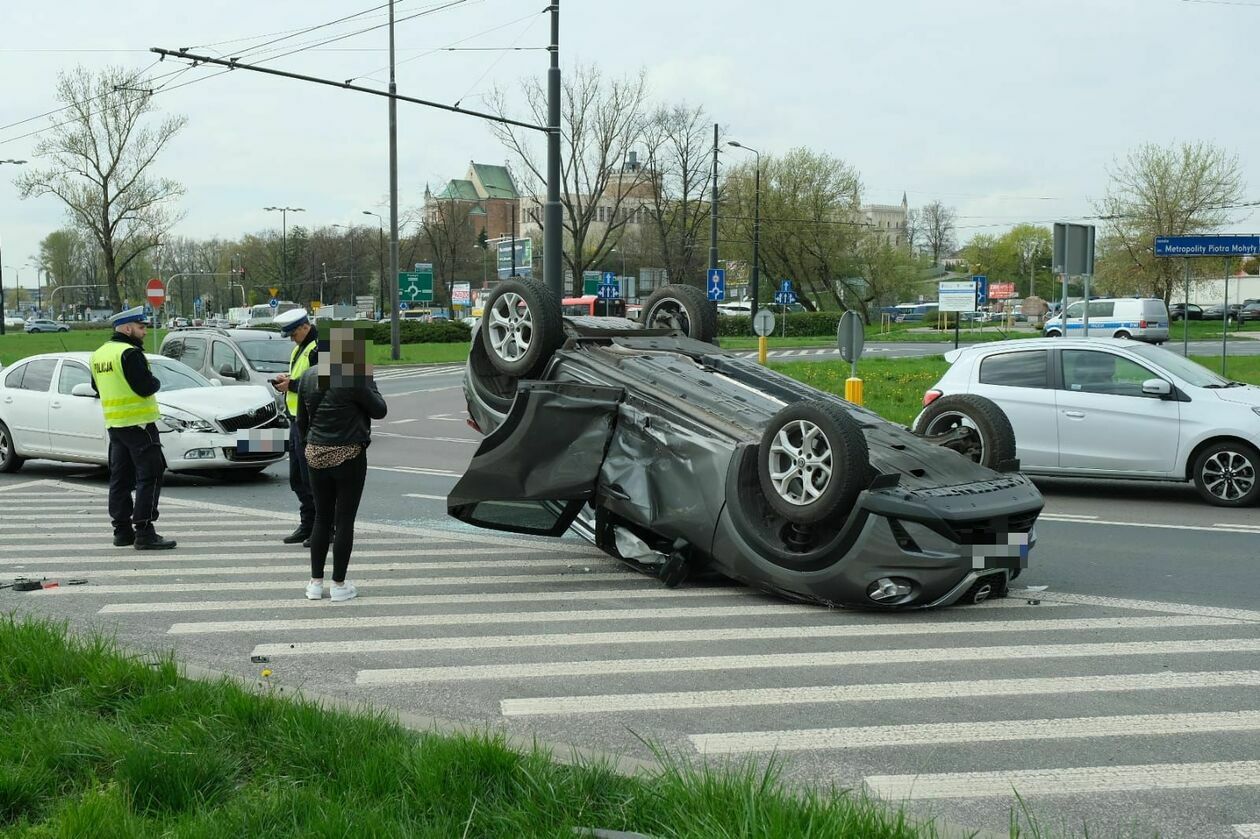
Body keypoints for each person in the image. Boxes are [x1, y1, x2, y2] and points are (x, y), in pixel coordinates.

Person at [297, 325, 387, 602]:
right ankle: (338, 585)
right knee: (344, 520)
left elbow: (301, 422)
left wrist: (312, 445)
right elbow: (380, 410)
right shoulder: (353, 378)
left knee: (322, 518)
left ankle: (315, 584)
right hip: (349, 454)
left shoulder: (309, 376)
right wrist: (369, 381)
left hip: (315, 453)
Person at [89, 306, 176, 550]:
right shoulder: (130, 353)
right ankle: (145, 531)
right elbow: (146, 387)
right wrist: (156, 381)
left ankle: (122, 531)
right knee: (151, 474)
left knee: (120, 478)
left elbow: (96, 388)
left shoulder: (99, 355)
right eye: (141, 327)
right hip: (140, 424)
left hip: (115, 426)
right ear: (127, 329)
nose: (145, 332)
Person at [272, 308, 318, 546]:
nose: (291, 338)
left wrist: (292, 385)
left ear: (304, 327)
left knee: (313, 480)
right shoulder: (301, 348)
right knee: (298, 479)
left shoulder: (320, 348)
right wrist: (288, 380)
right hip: (296, 421)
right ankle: (307, 523)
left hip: (312, 423)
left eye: (293, 333)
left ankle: (323, 528)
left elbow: (324, 384)